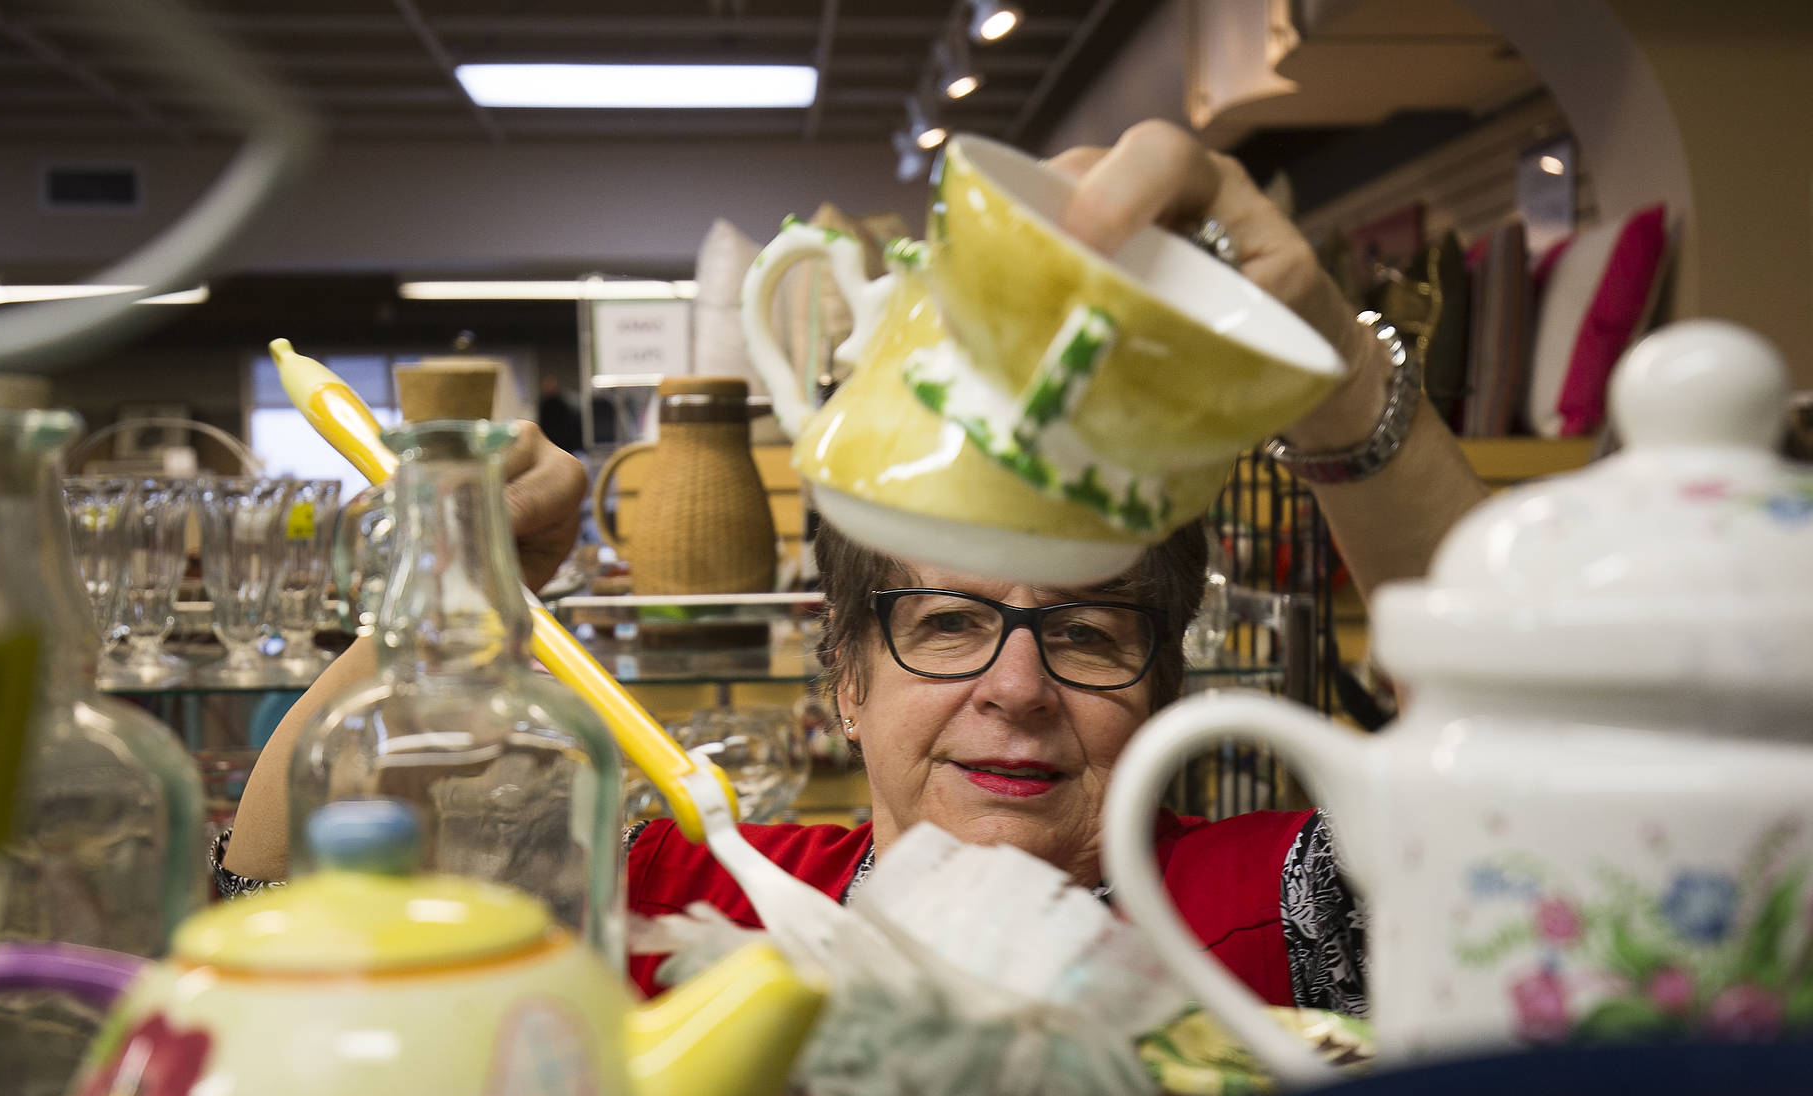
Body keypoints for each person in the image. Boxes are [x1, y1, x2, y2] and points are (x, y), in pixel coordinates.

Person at [219, 120, 1488, 1016]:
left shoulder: (1266, 913)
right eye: (942, 623)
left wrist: (1334, 372)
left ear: (1161, 682)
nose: (1016, 688)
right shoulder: (697, 903)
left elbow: (1530, 831)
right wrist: (456, 588)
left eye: (1091, 632)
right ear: (843, 680)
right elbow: (272, 892)